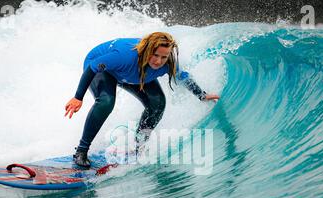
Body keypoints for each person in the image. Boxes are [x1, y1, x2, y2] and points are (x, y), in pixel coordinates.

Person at [64, 32, 220, 168]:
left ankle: (138, 148)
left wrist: (201, 95)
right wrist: (78, 97)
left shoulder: (166, 64)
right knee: (106, 102)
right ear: (147, 50)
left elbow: (182, 76)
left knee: (157, 103)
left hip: (133, 73)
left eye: (164, 57)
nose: (158, 61)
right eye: (155, 55)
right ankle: (81, 152)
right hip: (103, 68)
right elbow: (93, 67)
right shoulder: (124, 56)